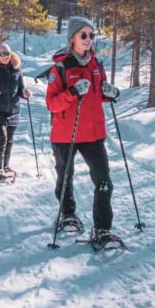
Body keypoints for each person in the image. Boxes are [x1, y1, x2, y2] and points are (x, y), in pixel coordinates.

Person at [44, 16, 122, 248]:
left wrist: (110, 93)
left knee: (104, 182)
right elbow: (52, 104)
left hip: (93, 133)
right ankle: (67, 214)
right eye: (84, 35)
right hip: (65, 134)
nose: (89, 39)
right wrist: (72, 93)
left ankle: (102, 229)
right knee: (65, 177)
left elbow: (98, 96)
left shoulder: (96, 64)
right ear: (73, 38)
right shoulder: (60, 67)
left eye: (91, 35)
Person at [0, 43, 32, 182]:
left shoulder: (16, 69)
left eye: (7, 53)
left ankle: (6, 166)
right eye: (2, 54)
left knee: (9, 140)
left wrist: (25, 93)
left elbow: (21, 89)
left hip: (13, 110)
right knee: (2, 138)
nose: (5, 56)